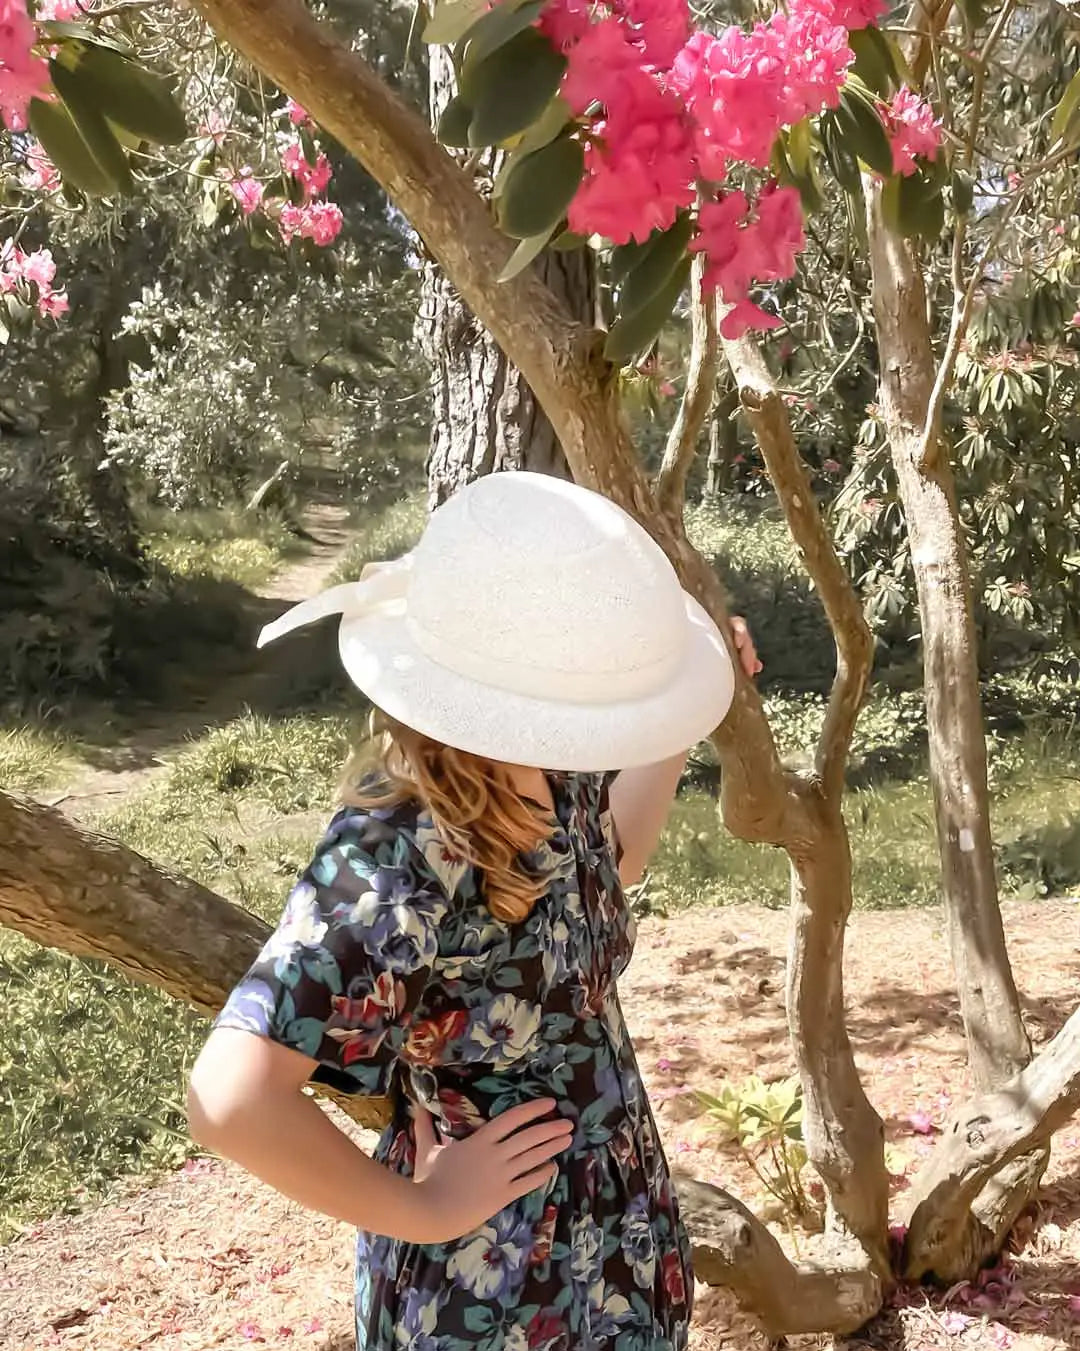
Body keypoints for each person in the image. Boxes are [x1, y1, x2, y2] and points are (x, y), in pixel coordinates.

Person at [187, 472, 760, 1351]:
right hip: (495, 1288)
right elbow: (229, 1099)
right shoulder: (398, 852)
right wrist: (423, 1207)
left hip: (609, 1245)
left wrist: (671, 720)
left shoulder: (549, 761)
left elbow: (612, 855)